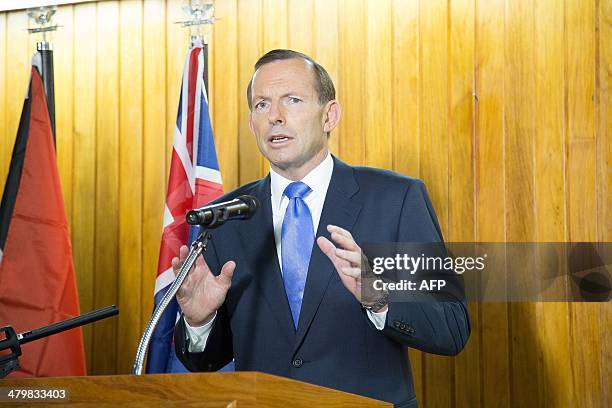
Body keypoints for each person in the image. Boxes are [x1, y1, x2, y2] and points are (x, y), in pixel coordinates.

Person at [172, 49, 470, 408]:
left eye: (292, 100)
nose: (275, 118)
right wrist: (199, 321)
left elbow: (451, 328)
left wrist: (379, 298)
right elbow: (207, 359)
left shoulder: (396, 200)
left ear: (330, 115)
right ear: (252, 123)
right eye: (262, 105)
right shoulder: (224, 218)